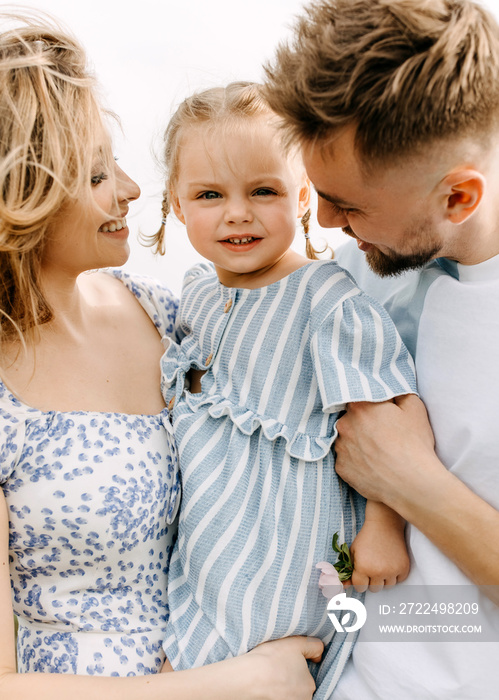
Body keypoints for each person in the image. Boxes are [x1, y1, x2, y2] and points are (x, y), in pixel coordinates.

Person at [0, 14, 325, 699]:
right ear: (22, 199)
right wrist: (246, 681)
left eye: (113, 161)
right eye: (94, 175)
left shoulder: (164, 315)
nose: (129, 188)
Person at [263, 0, 499, 697]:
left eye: (351, 205)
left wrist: (407, 480)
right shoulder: (348, 280)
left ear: (458, 197)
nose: (327, 221)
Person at [151, 81, 417, 699]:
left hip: (285, 545)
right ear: (177, 202)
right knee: (189, 670)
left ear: (302, 197)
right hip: (208, 539)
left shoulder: (324, 300)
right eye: (210, 195)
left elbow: (390, 409)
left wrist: (385, 525)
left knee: (253, 664)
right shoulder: (194, 295)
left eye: (263, 191)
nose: (237, 213)